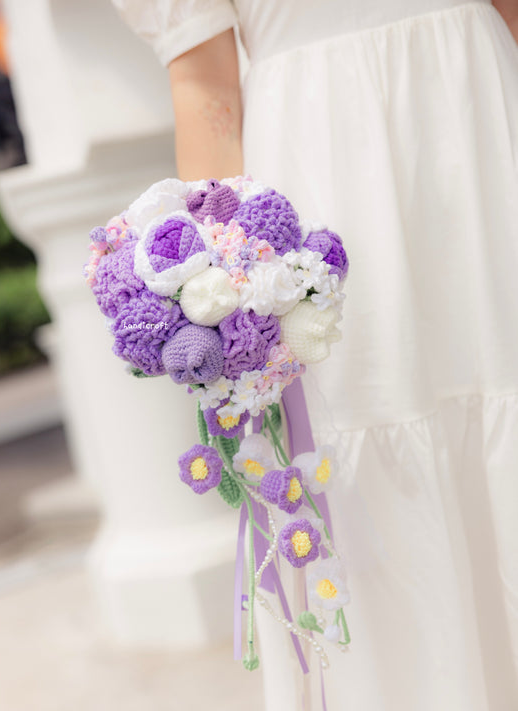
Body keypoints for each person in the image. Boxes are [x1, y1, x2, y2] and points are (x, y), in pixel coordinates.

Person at [111, 1, 518, 709]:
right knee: (375, 418)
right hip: (325, 167)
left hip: (485, 124)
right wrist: (220, 286)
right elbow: (206, 84)